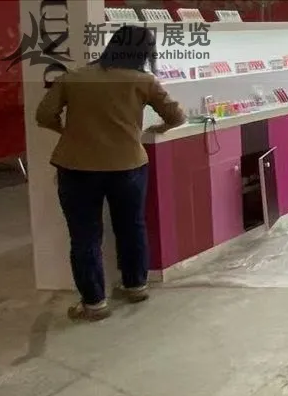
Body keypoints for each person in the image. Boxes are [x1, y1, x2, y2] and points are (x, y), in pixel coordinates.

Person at [34, 25, 186, 321]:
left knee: (84, 236)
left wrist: (66, 132)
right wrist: (160, 128)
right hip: (128, 165)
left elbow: (43, 115)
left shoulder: (74, 77)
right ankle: (136, 285)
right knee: (132, 226)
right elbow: (176, 116)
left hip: (76, 167)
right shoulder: (144, 81)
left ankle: (94, 303)